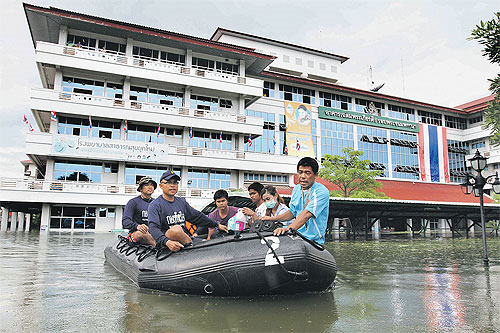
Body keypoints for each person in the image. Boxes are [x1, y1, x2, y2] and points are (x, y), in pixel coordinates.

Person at [148, 171, 228, 252]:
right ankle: (193, 246)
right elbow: (153, 228)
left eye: (175, 182)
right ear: (161, 185)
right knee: (176, 229)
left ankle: (192, 245)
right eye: (168, 182)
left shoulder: (181, 201)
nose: (172, 185)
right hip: (168, 242)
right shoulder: (155, 205)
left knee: (209, 246)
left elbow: (197, 216)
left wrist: (217, 224)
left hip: (186, 238)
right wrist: (167, 242)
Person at [263, 157, 330, 244]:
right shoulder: (296, 189)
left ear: (315, 175)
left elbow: (306, 214)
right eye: (300, 172)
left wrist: (288, 228)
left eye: (307, 173)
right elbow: (292, 212)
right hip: (297, 237)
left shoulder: (321, 191)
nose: (302, 176)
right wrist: (273, 219)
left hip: (313, 241)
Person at [122, 176, 157, 246]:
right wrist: (138, 226)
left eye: (152, 185)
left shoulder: (157, 203)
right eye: (146, 185)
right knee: (141, 234)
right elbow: (125, 222)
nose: (150, 187)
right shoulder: (133, 202)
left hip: (153, 233)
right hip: (139, 233)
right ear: (140, 188)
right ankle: (159, 246)